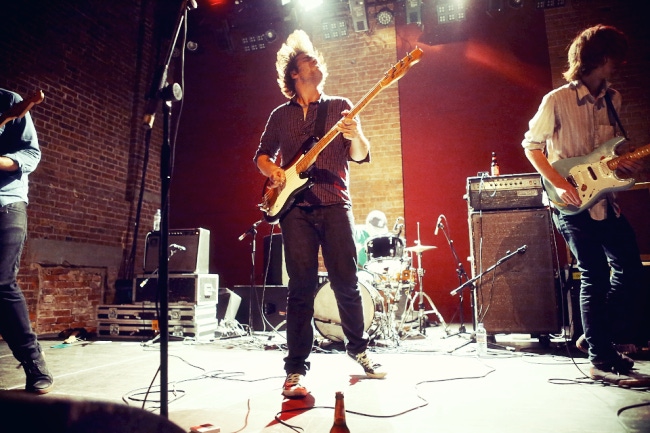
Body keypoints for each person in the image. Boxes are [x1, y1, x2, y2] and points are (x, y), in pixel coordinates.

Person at [254, 30, 386, 398]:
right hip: (294, 208)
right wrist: (274, 172)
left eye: (317, 60)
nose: (316, 63)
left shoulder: (341, 105)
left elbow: (358, 155)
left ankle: (360, 349)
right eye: (308, 60)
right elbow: (262, 156)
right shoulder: (280, 115)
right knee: (300, 289)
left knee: (347, 281)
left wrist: (356, 132)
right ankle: (295, 370)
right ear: (294, 73)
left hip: (334, 202)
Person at [522, 25, 647, 386]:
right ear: (600, 57)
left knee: (629, 271)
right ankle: (600, 358)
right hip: (570, 203)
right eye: (614, 57)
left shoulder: (614, 99)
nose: (619, 63)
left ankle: (595, 335)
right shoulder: (556, 100)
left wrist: (628, 164)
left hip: (605, 201)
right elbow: (531, 145)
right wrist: (559, 183)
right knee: (593, 273)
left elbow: (610, 155)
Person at [0, 88, 53, 393]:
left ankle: (34, 364)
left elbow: (31, 155)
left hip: (5, 201)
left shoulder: (8, 101)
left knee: (2, 281)